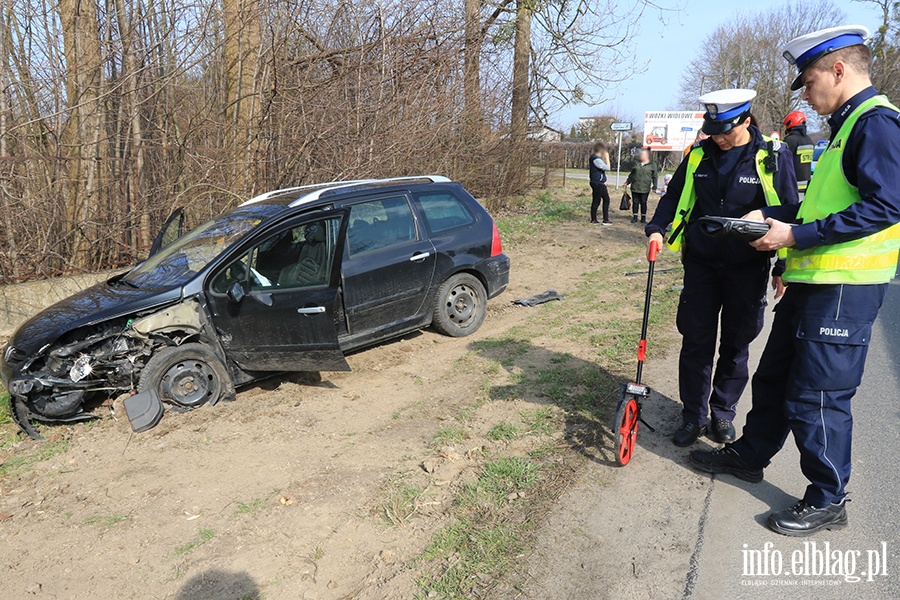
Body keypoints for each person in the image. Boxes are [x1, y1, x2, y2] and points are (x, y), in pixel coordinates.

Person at [689, 25, 900, 537]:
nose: (805, 93)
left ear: (839, 70)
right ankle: (752, 454)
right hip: (813, 281)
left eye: (808, 81)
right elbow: (827, 206)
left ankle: (828, 498)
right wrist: (777, 218)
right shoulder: (845, 127)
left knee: (818, 395)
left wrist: (795, 235)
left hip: (844, 286)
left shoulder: (877, 124)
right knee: (775, 377)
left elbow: (887, 204)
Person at [645, 88, 799, 447]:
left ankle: (722, 413)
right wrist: (656, 228)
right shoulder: (699, 155)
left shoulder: (772, 156)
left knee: (736, 343)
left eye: (725, 131)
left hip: (747, 267)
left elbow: (791, 210)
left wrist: (783, 265)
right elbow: (673, 196)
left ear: (746, 121)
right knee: (696, 341)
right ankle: (693, 415)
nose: (718, 139)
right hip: (700, 264)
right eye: (713, 131)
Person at [782, 110, 815, 193]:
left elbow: (782, 161)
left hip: (792, 186)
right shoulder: (809, 140)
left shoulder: (790, 140)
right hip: (807, 186)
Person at [625, 148, 658, 223]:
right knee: (635, 202)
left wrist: (654, 186)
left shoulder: (653, 165)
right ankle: (635, 216)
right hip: (635, 186)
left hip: (645, 187)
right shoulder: (636, 163)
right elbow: (632, 174)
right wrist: (627, 182)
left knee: (643, 202)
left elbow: (655, 176)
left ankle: (643, 217)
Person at [588, 141, 612, 225]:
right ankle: (605, 219)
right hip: (598, 183)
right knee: (605, 199)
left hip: (597, 182)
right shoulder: (596, 160)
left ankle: (594, 219)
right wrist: (607, 158)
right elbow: (607, 168)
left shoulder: (594, 158)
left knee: (597, 200)